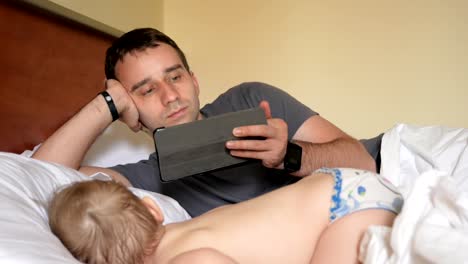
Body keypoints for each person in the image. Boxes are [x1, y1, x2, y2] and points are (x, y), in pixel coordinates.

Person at [33, 27, 379, 217]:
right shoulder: (146, 178)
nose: (171, 96)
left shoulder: (250, 101)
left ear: (194, 82)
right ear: (130, 116)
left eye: (176, 77)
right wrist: (108, 104)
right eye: (146, 90)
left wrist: (290, 155)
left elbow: (362, 161)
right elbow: (36, 179)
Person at [48, 168, 403, 264]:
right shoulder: (190, 225)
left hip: (345, 212)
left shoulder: (188, 260)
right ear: (152, 210)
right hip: (341, 185)